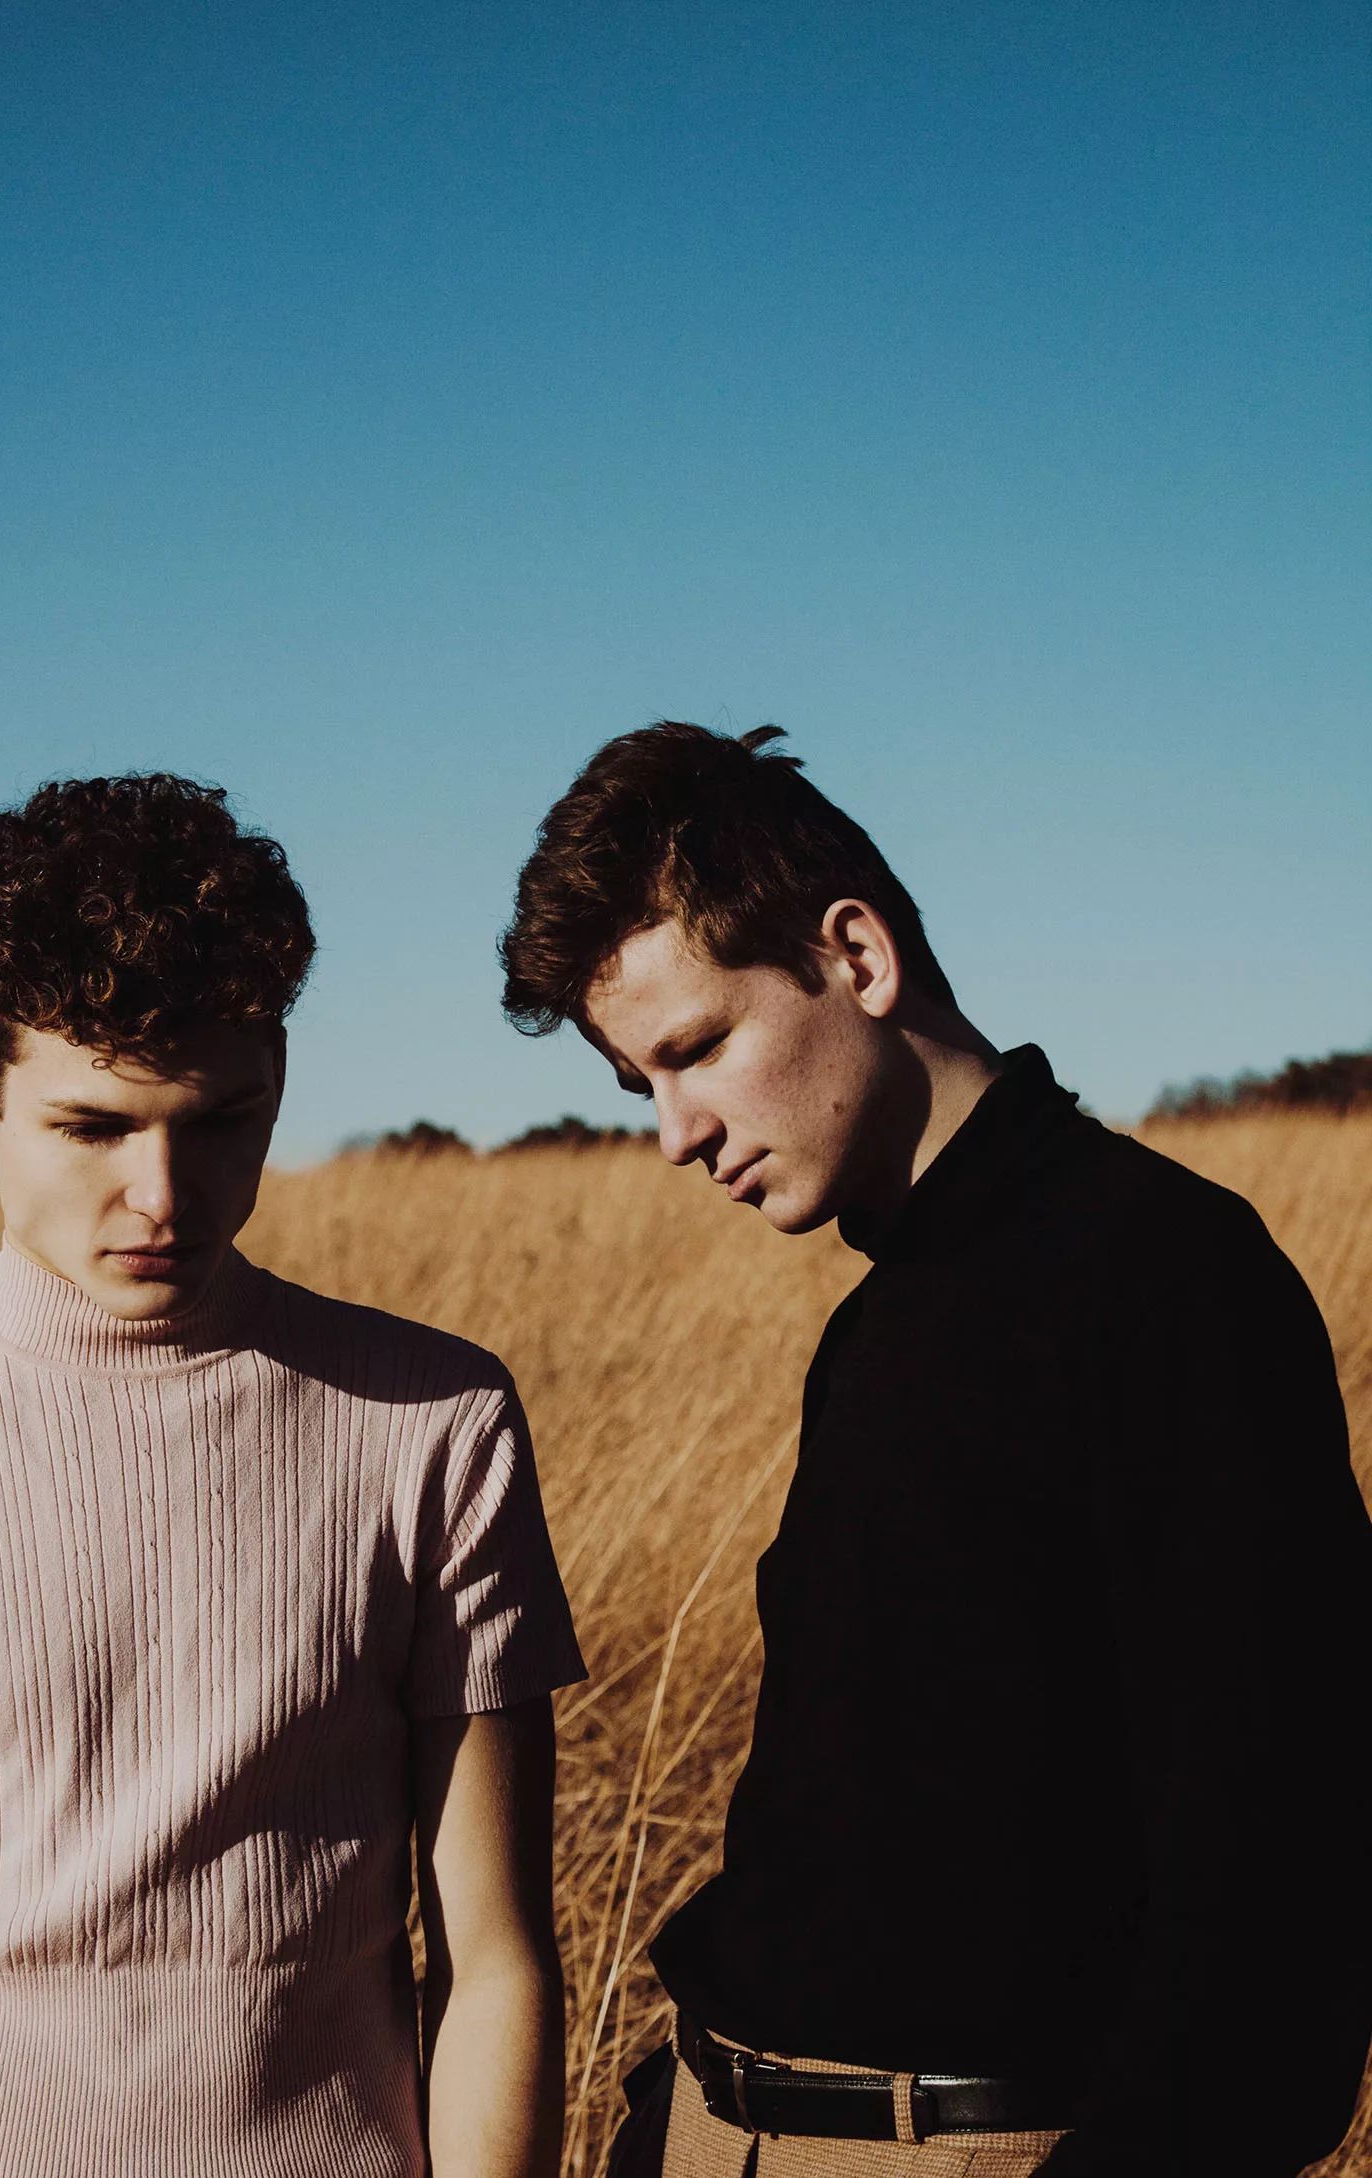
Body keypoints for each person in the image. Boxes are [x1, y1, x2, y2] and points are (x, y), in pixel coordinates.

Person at [0, 772, 585, 2178]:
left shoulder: (435, 1420)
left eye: (217, 1121)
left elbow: (498, 1962)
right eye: (94, 1126)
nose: (163, 1195)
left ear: (277, 1082)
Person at [499, 722, 1372, 2178]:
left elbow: (1279, 1894)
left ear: (857, 956)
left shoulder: (1166, 1276)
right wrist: (670, 2119)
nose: (675, 1134)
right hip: (716, 2131)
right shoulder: (878, 1315)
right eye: (642, 1084)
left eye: (697, 1050)